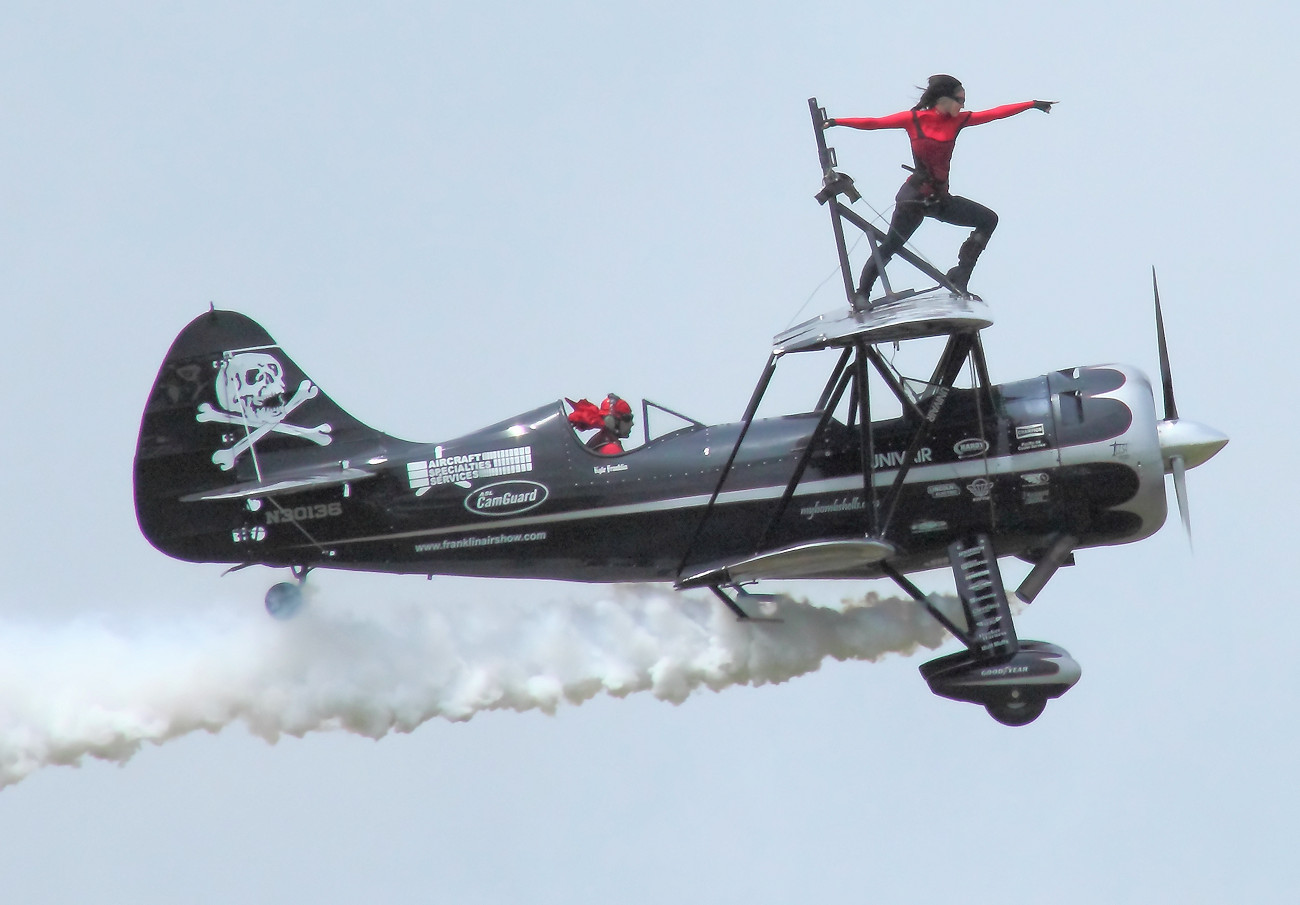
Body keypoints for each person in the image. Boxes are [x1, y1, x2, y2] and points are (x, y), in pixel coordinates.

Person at [826, 75, 1055, 303]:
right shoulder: (914, 119)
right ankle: (862, 293)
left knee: (988, 219)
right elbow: (874, 123)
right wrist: (835, 122)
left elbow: (994, 114)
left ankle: (960, 276)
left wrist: (1032, 104)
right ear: (943, 99)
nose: (963, 105)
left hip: (940, 200)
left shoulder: (958, 120)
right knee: (891, 246)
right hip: (914, 200)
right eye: (960, 100)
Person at [567, 393, 634, 454]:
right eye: (627, 419)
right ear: (611, 421)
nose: (632, 424)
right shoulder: (611, 448)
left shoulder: (601, 439)